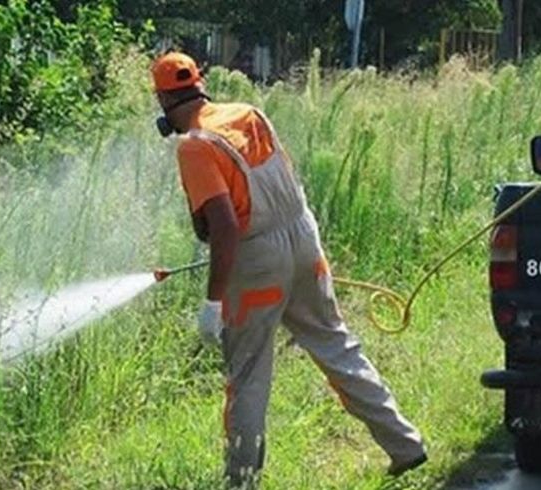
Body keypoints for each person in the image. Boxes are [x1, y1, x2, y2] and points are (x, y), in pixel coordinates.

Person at [150, 52, 427, 487]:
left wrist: (212, 302)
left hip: (256, 257)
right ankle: (405, 444)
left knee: (248, 371)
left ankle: (241, 480)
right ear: (200, 83)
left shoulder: (195, 146)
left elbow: (223, 226)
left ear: (163, 98)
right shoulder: (247, 112)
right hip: (303, 236)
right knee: (336, 344)